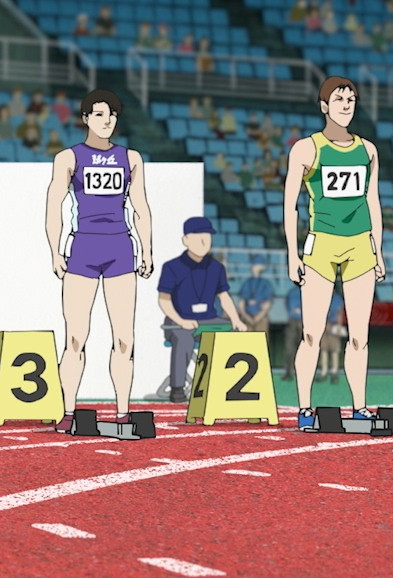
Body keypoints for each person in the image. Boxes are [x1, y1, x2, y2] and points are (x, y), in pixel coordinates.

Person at [45, 90, 155, 420]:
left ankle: (122, 412)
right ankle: (67, 411)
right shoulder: (68, 158)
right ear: (85, 118)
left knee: (124, 339)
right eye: (99, 114)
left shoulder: (131, 158)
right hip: (83, 249)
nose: (107, 121)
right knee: (75, 338)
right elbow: (54, 207)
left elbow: (140, 206)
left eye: (112, 115)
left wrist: (147, 250)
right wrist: (55, 252)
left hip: (120, 249)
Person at [284, 76, 384, 430]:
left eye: (351, 100)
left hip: (359, 247)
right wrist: (292, 254)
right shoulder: (306, 149)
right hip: (321, 244)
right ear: (324, 106)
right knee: (312, 333)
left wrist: (378, 250)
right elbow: (291, 205)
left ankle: (359, 408)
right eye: (339, 99)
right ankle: (305, 408)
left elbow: (372, 201)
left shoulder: (368, 151)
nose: (346, 105)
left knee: (359, 336)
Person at [156, 218, 247, 401]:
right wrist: (181, 320)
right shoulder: (172, 267)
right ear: (186, 240)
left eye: (207, 237)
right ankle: (177, 388)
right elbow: (163, 300)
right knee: (184, 338)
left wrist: (236, 320)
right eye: (198, 237)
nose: (204, 242)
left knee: (235, 334)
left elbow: (224, 297)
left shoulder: (217, 268)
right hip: (177, 321)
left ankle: (228, 387)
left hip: (209, 320)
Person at [236, 258, 275, 336]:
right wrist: (247, 317)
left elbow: (267, 304)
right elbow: (241, 304)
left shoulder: (265, 284)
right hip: (247, 318)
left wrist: (257, 318)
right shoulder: (247, 283)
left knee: (261, 340)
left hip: (261, 319)